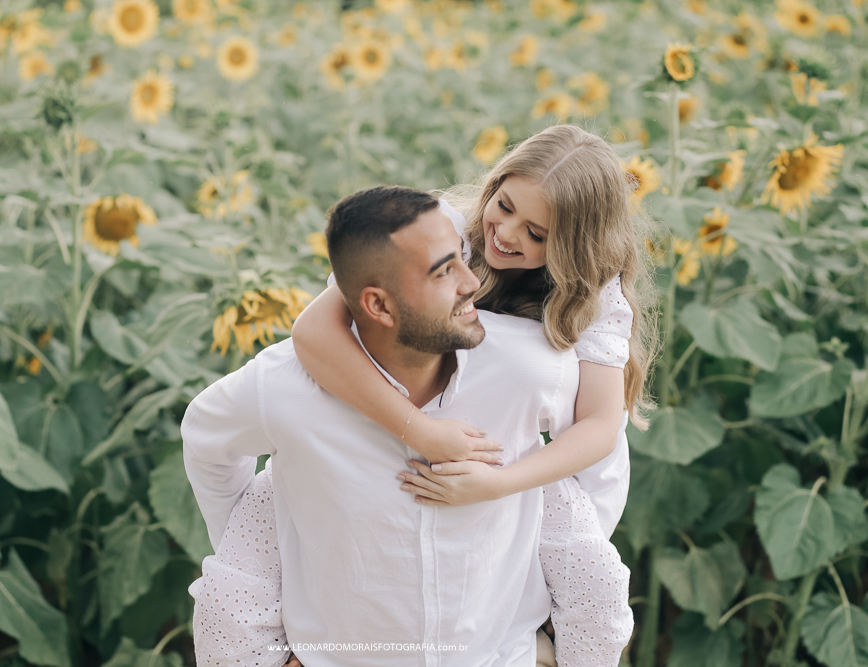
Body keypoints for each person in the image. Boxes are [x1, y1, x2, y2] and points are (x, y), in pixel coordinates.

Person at [190, 125, 650, 667]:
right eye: (504, 206)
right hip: (433, 422)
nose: (506, 235)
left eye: (537, 234)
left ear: (573, 247)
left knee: (572, 575)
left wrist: (499, 485)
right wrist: (419, 429)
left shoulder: (595, 294)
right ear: (495, 186)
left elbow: (598, 429)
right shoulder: (442, 232)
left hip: (550, 467)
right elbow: (314, 332)